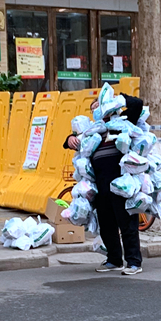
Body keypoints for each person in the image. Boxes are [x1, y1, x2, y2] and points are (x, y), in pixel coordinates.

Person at [65, 95, 143, 275]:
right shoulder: (92, 130)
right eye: (93, 109)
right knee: (106, 225)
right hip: (100, 184)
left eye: (99, 106)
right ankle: (114, 260)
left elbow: (137, 104)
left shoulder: (124, 121)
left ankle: (133, 262)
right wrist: (69, 139)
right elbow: (71, 142)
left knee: (127, 224)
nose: (97, 110)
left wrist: (119, 98)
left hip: (122, 183)